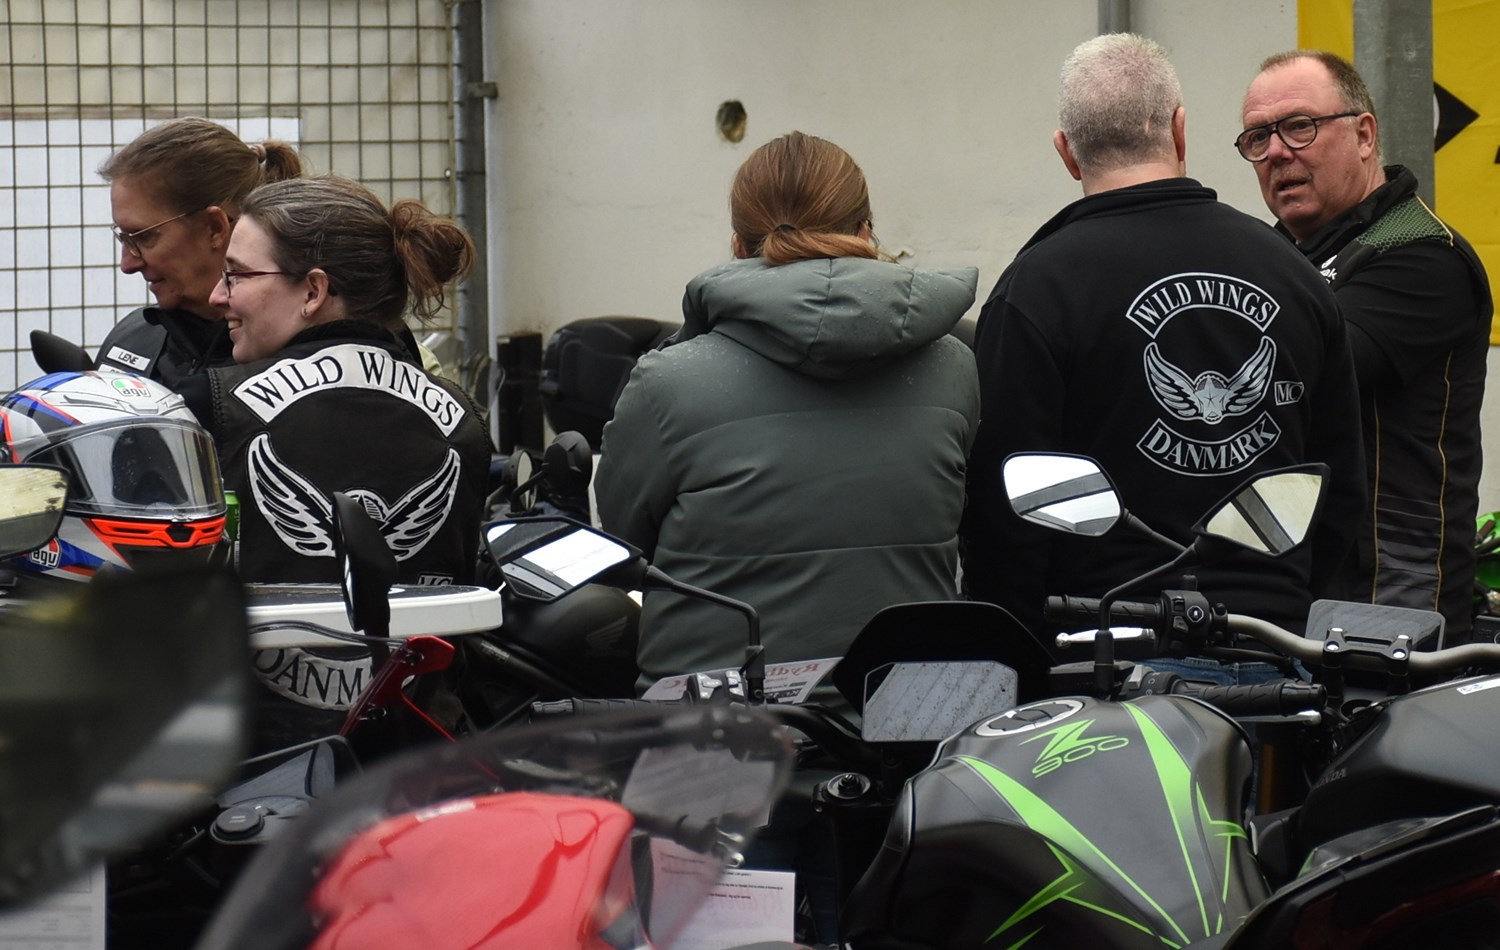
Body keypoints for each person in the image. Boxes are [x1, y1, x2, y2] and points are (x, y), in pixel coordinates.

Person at [962, 34, 1365, 672]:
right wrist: (1283, 605)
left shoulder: (1036, 289)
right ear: (1181, 130)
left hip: (1101, 664)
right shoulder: (1293, 273)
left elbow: (1003, 513)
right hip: (1273, 657)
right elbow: (1338, 491)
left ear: (1066, 152)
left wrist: (1025, 657)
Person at [595, 130, 980, 698]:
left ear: (737, 245)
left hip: (714, 717)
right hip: (903, 712)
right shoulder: (955, 368)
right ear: (866, 233)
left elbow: (625, 544)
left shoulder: (666, 382)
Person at [180, 176, 493, 733]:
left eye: (237, 274)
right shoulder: (461, 417)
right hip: (420, 744)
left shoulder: (212, 407)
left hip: (259, 757)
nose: (217, 296)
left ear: (313, 291)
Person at [1240, 50, 1492, 643]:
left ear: (1364, 135)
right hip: (1293, 595)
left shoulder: (1423, 254)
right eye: (1257, 137)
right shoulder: (1277, 259)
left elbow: (1301, 378)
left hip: (1393, 604)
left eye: (1299, 126)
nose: (1277, 152)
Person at [96, 117, 304, 388]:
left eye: (144, 237)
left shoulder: (296, 368)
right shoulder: (133, 339)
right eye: (123, 238)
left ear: (214, 228)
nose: (127, 264)